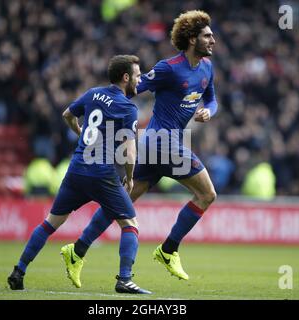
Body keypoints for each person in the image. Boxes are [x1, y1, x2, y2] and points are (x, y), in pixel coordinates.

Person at [73, 10, 218, 281]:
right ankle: (168, 249)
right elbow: (130, 88)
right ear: (191, 39)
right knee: (207, 195)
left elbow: (212, 99)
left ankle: (78, 249)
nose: (213, 40)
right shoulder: (169, 68)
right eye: (207, 36)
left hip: (154, 145)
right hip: (164, 142)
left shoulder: (207, 68)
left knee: (122, 202)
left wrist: (209, 110)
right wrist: (101, 104)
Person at [7, 55, 151, 294]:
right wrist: (130, 177)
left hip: (76, 169)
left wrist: (81, 132)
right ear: (125, 77)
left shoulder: (93, 93)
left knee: (50, 223)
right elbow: (129, 150)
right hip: (102, 173)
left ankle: (19, 271)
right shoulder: (127, 108)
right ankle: (124, 279)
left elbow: (67, 114)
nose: (139, 79)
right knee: (130, 225)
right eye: (137, 75)